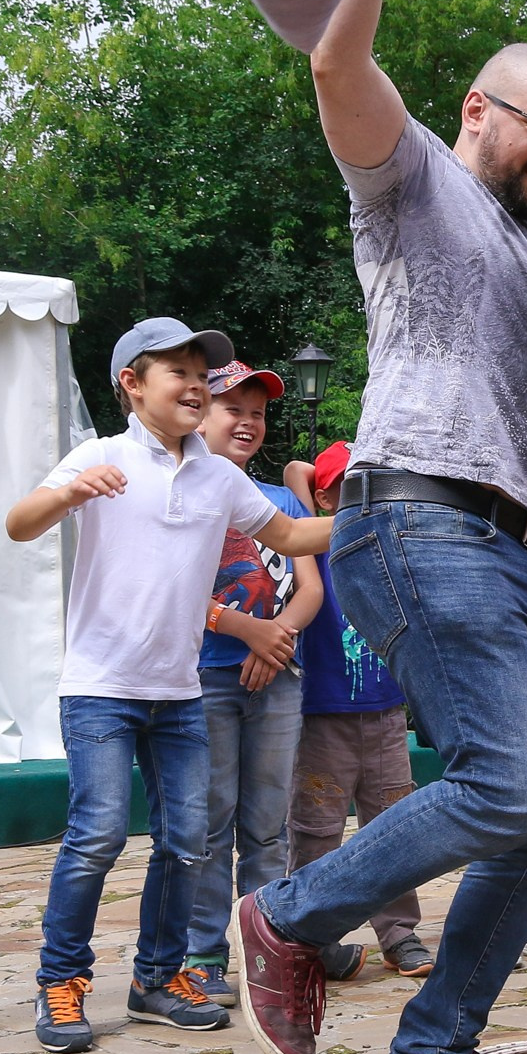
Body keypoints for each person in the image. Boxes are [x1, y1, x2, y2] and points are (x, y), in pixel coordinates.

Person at [228, 0, 527, 1054]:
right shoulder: (414, 181)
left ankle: (432, 1053)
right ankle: (288, 912)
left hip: (513, 550)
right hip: (415, 522)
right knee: (513, 780)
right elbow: (335, 69)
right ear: (475, 112)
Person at [6, 319, 339, 1054]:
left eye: (201, 371)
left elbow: (286, 538)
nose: (195, 383)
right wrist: (67, 493)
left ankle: (157, 979)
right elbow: (17, 523)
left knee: (186, 842)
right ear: (132, 383)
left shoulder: (218, 474)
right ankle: (60, 979)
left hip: (180, 692)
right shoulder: (101, 455)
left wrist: (372, 517)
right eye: (178, 370)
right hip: (99, 688)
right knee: (95, 836)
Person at [187, 360, 325, 1006]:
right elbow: (172, 589)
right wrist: (246, 630)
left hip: (279, 677)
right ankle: (205, 952)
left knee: (268, 826)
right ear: (201, 414)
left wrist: (276, 641)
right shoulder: (185, 491)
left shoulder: (285, 500)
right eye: (232, 408)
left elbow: (311, 586)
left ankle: (267, 945)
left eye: (258, 412)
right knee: (212, 825)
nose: (247, 422)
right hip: (207, 678)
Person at [281, 440, 429, 983]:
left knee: (393, 825)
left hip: (387, 714)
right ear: (323, 497)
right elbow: (295, 472)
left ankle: (398, 933)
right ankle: (312, 934)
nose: (359, 502)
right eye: (345, 491)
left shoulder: (387, 546)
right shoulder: (310, 544)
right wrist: (314, 489)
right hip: (323, 716)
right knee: (317, 830)